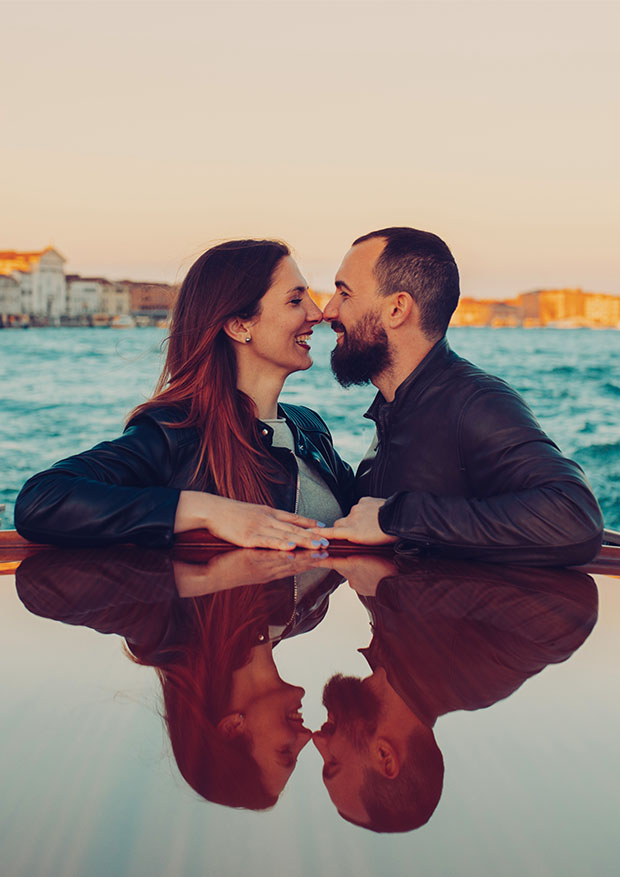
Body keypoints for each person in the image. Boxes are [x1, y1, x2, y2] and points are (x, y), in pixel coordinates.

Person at [15, 240, 354, 549]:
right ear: (239, 326)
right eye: (295, 300)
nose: (317, 313)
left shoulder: (309, 427)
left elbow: (368, 515)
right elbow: (42, 499)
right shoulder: (178, 431)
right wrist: (206, 511)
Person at [313, 227, 604, 565]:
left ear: (397, 310)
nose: (328, 311)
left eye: (344, 294)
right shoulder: (394, 408)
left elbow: (574, 516)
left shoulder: (476, 402)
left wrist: (394, 518)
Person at [17, 544, 343, 809]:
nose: (306, 739)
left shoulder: (165, 626)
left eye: (285, 752)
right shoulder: (310, 613)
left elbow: (39, 586)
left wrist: (198, 576)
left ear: (232, 727)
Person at [312, 554, 598, 832]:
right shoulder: (471, 679)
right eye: (333, 763)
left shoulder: (387, 656)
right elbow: (573, 612)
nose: (317, 741)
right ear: (385, 756)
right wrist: (391, 586)